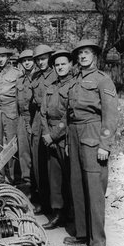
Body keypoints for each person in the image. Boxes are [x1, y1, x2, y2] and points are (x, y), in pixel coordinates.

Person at [64, 40, 118, 246]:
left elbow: (111, 115)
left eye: (86, 53)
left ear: (94, 55)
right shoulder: (76, 79)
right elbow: (70, 112)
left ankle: (97, 242)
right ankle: (82, 233)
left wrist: (105, 144)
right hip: (75, 134)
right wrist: (69, 141)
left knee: (94, 189)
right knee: (77, 184)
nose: (82, 56)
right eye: (79, 54)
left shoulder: (103, 80)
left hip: (93, 134)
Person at [40, 50, 73, 229]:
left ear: (70, 65)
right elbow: (43, 112)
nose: (60, 67)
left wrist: (53, 135)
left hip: (65, 136)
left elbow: (69, 115)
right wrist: (46, 134)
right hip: (50, 136)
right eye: (57, 65)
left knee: (70, 176)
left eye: (63, 64)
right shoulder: (50, 87)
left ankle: (71, 214)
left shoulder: (74, 85)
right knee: (55, 177)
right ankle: (57, 213)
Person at [0, 47, 22, 183]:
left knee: (12, 142)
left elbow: (20, 94)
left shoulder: (17, 73)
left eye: (3, 57)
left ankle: (14, 176)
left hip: (11, 108)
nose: (0, 59)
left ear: (8, 58)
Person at [30, 44, 56, 214]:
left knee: (53, 164)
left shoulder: (57, 74)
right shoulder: (35, 76)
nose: (40, 62)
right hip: (37, 119)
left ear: (50, 58)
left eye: (43, 58)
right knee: (38, 163)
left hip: (52, 119)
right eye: (38, 59)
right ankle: (44, 201)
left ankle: (58, 206)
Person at [16, 49, 35, 188]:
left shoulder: (38, 78)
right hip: (22, 117)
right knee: (23, 151)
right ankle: (26, 181)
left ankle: (38, 184)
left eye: (29, 60)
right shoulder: (20, 80)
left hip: (35, 117)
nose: (27, 63)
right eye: (24, 61)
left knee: (36, 151)